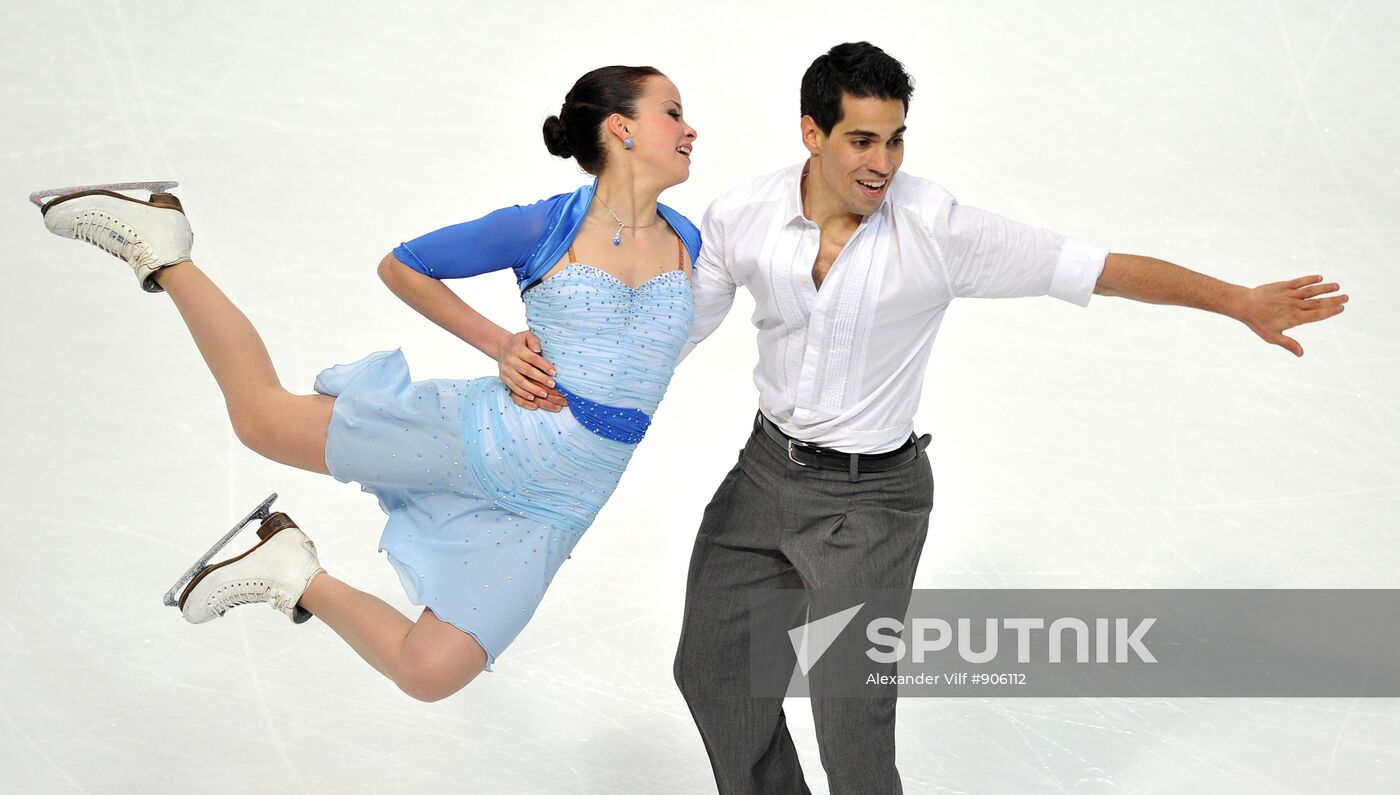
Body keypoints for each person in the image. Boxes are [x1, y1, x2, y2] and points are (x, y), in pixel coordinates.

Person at [499, 42, 1348, 793]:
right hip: (764, 476)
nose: (882, 162)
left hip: (872, 503)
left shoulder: (938, 230)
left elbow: (1094, 267)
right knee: (713, 668)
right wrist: (561, 383)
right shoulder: (743, 215)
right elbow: (672, 332)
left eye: (896, 138)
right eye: (862, 140)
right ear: (812, 133)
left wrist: (1236, 299)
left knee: (849, 722)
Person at [33, 65, 700, 703]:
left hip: (557, 504)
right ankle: (161, 243)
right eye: (672, 112)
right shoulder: (547, 224)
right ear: (621, 129)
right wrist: (499, 343)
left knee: (429, 669)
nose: (689, 129)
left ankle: (286, 567)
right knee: (261, 419)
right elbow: (405, 265)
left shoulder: (687, 241)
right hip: (482, 438)